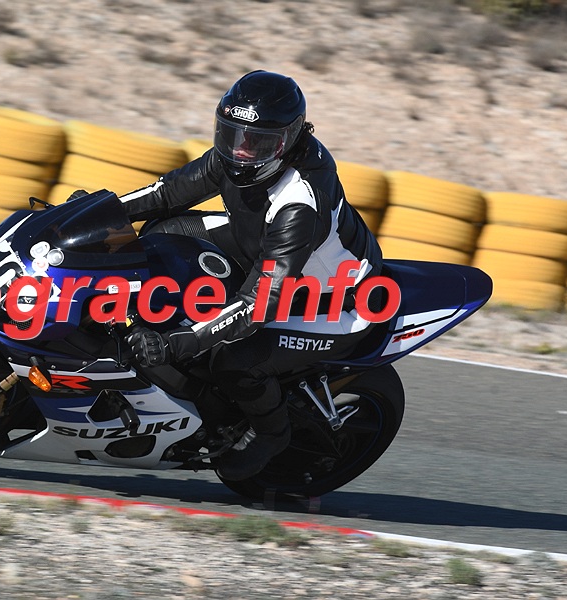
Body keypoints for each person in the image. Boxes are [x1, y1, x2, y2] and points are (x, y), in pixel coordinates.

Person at [121, 70, 384, 481]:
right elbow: (168, 192)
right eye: (232, 135)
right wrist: (99, 212)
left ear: (289, 140)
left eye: (258, 142)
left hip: (337, 299)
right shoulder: (234, 155)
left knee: (234, 359)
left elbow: (259, 303)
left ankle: (270, 434)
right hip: (265, 245)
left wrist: (177, 343)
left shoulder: (299, 203)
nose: (241, 151)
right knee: (163, 235)